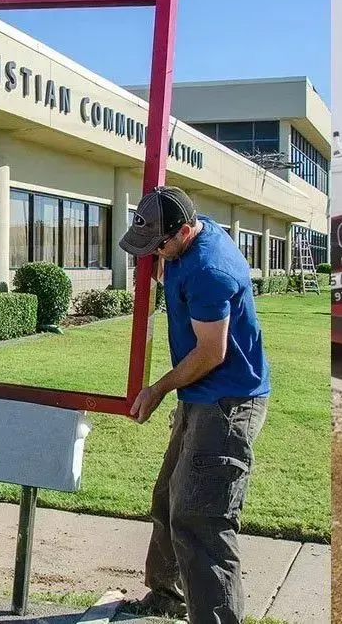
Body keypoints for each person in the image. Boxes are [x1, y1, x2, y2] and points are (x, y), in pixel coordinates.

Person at [116, 186, 270, 624]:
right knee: (168, 498)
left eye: (157, 246)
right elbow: (170, 261)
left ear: (184, 231)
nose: (152, 255)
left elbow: (210, 353)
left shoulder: (209, 270)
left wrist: (159, 388)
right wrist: (160, 260)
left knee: (201, 517)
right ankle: (168, 598)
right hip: (201, 396)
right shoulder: (188, 244)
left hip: (228, 404)